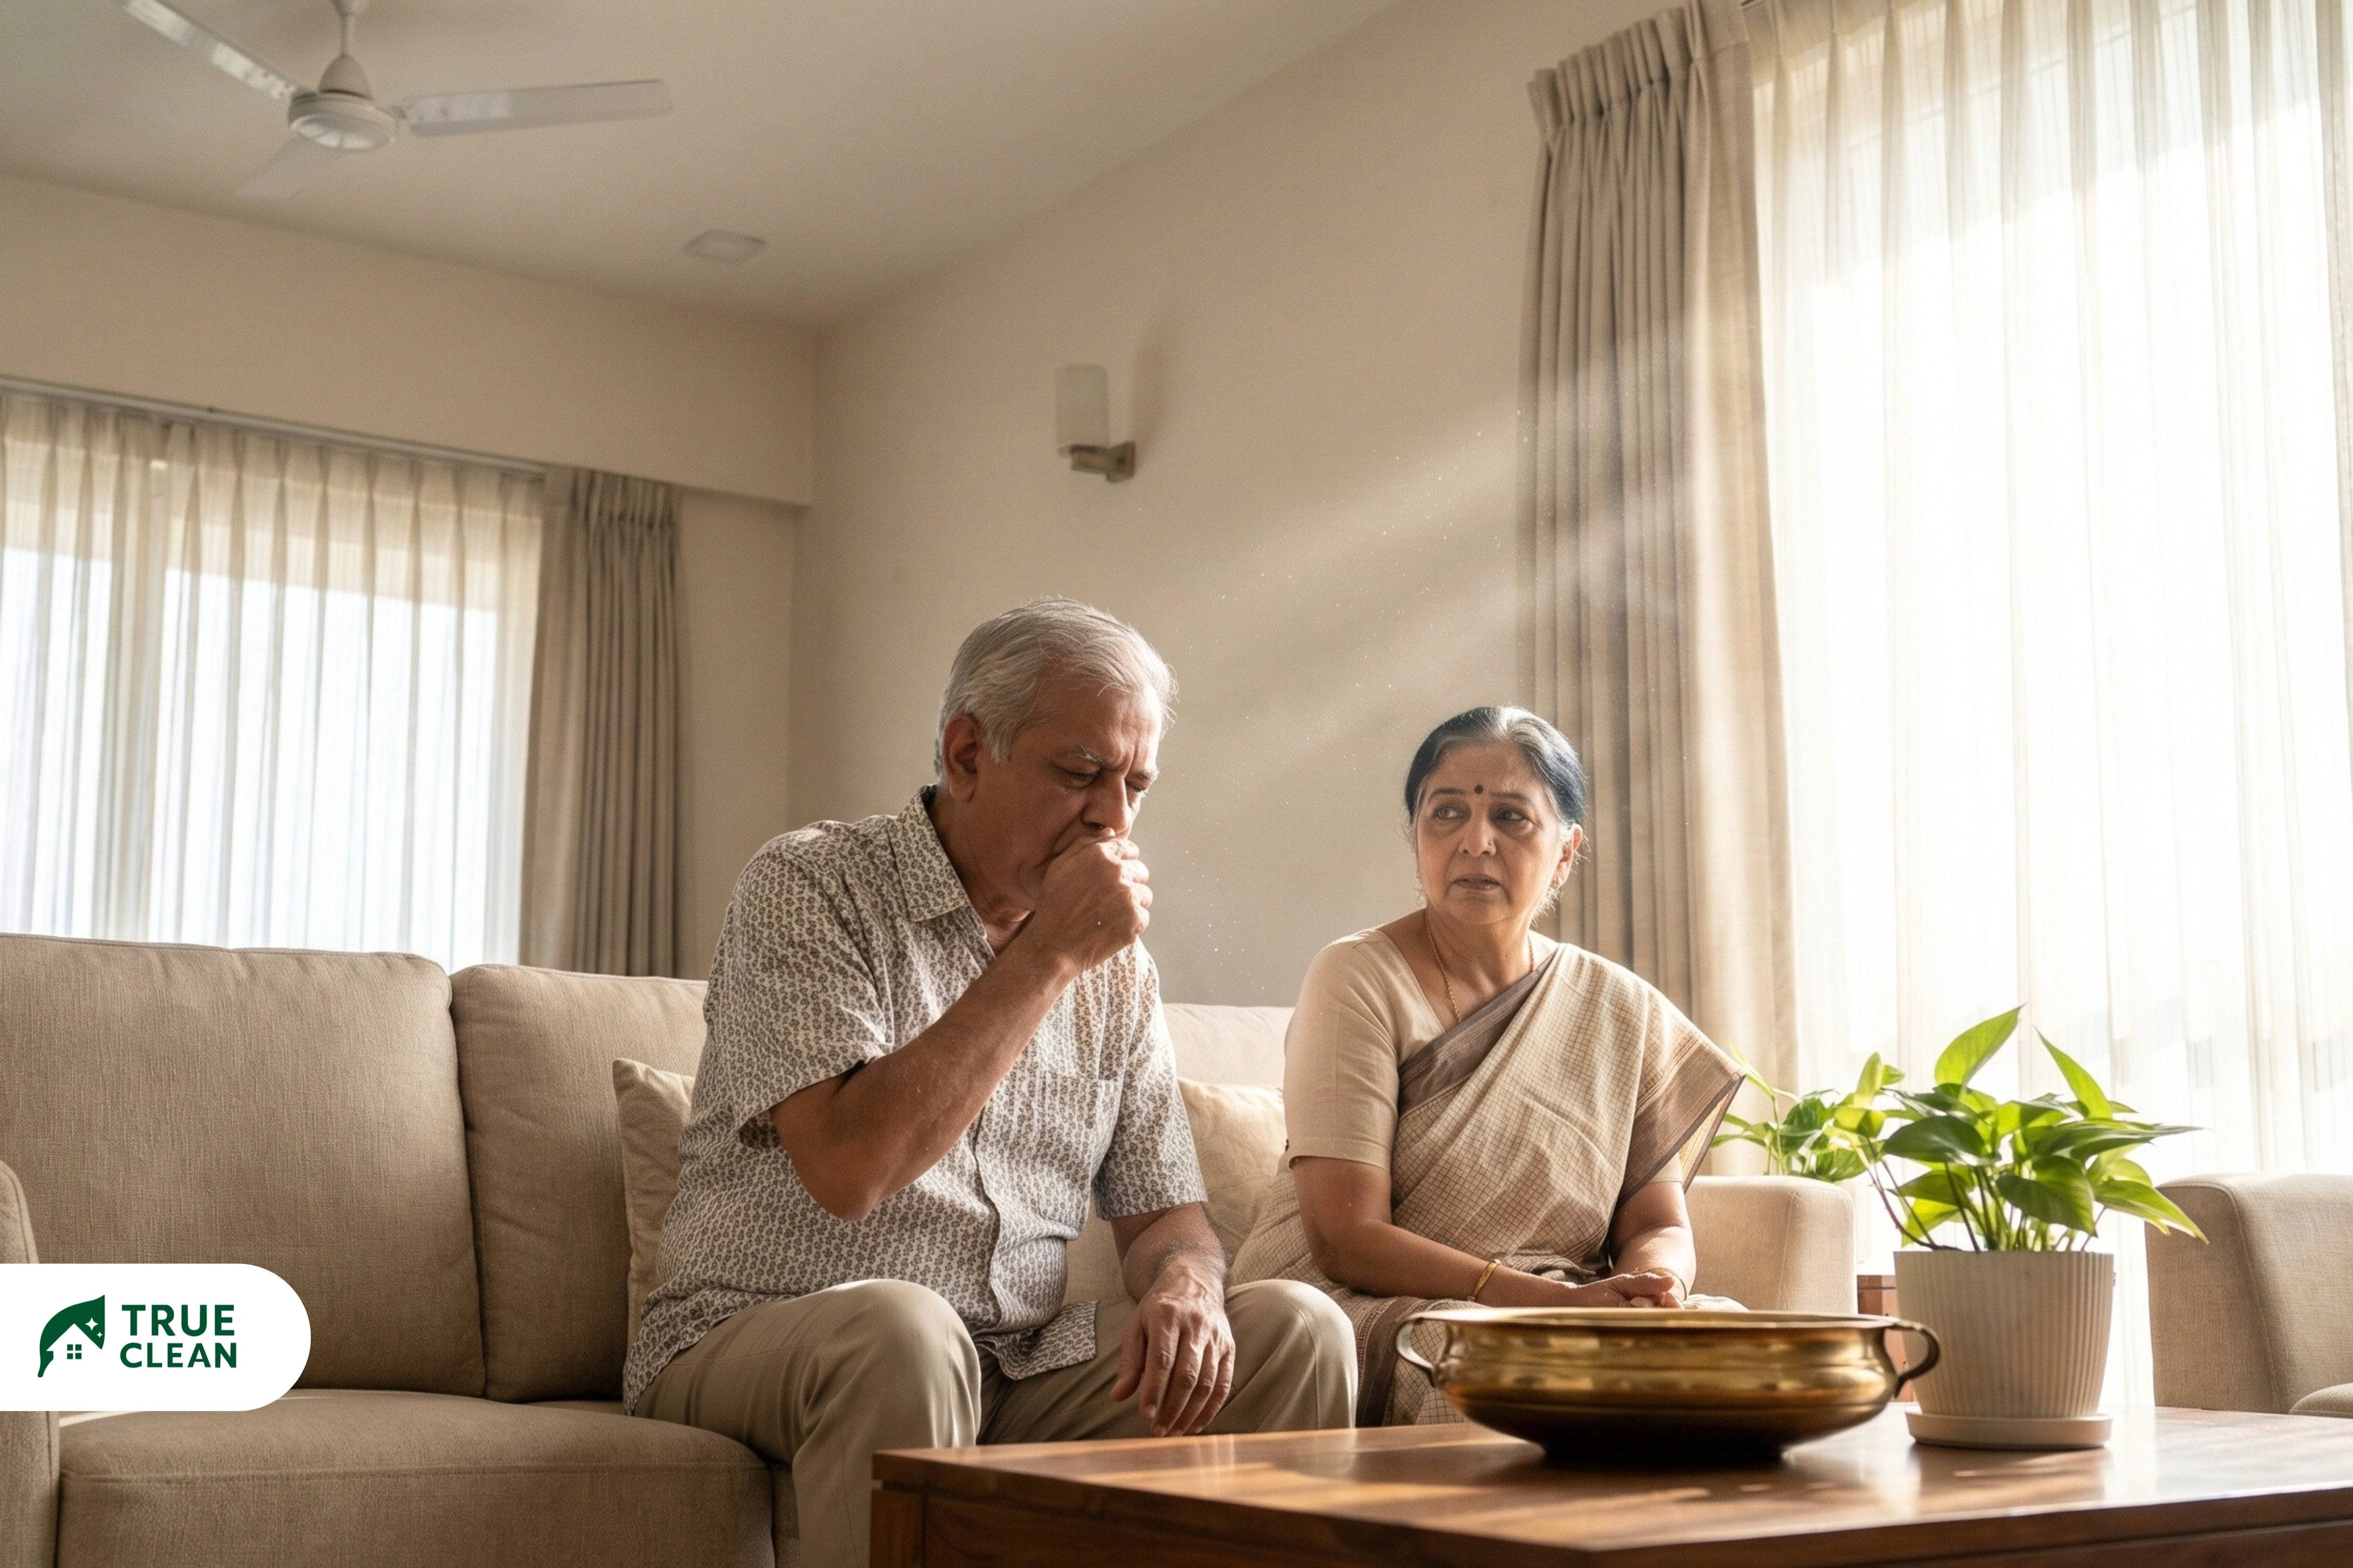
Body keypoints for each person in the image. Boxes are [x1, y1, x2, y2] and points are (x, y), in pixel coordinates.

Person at [623, 598, 1353, 1568]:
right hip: (754, 1329)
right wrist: (1047, 955)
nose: (1113, 818)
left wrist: (1186, 1286)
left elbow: (1166, 1220)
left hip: (1014, 1360)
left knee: (1299, 1331)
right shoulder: (811, 884)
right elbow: (852, 1167)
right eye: (1082, 774)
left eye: (1137, 786)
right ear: (967, 755)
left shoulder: (1119, 971)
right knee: (902, 1329)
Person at [1231, 706, 1743, 1427]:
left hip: (1556, 1304)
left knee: (1742, 1354)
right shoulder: (1357, 976)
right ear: (1415, 837)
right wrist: (1552, 1305)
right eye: (1446, 814)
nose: (1476, 841)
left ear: (1566, 851)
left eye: (1511, 817)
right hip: (1361, 1305)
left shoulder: (1619, 1007)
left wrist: (1652, 1288)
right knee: (1516, 1376)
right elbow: (1346, 1239)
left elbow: (1657, 1220)